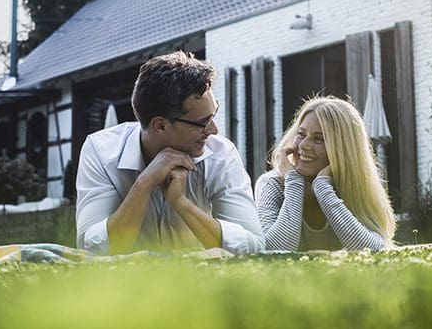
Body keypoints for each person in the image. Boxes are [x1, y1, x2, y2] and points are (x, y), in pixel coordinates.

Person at [75, 51, 265, 255]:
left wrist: (181, 203)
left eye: (213, 115)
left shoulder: (221, 155)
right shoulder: (101, 152)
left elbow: (253, 246)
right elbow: (92, 250)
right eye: (202, 123)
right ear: (160, 125)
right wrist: (144, 183)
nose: (213, 130)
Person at [256, 96, 396, 251]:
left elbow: (376, 251)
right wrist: (294, 183)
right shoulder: (272, 185)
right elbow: (272, 249)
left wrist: (324, 189)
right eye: (301, 134)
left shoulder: (358, 188)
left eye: (319, 139)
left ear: (343, 151)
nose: (303, 145)